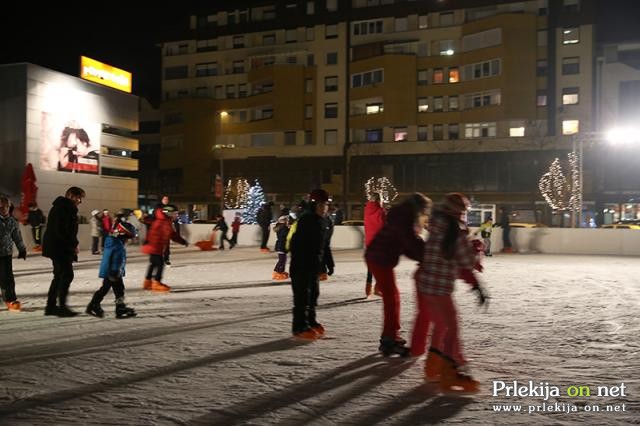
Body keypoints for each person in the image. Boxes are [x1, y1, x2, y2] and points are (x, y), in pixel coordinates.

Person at [413, 192, 488, 393]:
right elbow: (466, 262)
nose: (464, 215)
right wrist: (477, 248)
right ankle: (449, 372)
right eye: (464, 211)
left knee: (440, 325)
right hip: (439, 287)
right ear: (458, 212)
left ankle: (433, 366)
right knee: (452, 325)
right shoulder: (455, 232)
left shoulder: (436, 226)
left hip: (425, 284)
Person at [365, 193, 432, 356]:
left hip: (379, 257)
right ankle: (389, 340)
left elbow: (408, 245)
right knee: (391, 299)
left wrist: (422, 255)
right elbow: (410, 242)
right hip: (379, 258)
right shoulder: (403, 218)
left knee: (392, 297)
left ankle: (390, 336)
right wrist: (426, 256)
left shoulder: (402, 216)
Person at [288, 189, 331, 340]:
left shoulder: (323, 221)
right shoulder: (306, 220)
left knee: (313, 295)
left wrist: (328, 263)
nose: (325, 208)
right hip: (301, 266)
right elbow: (295, 244)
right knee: (302, 298)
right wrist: (304, 262)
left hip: (313, 266)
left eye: (326, 205)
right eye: (322, 205)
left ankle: (311, 321)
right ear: (314, 205)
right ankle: (299, 326)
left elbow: (324, 245)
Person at [42, 186, 85, 317]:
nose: (80, 201)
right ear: (71, 196)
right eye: (79, 198)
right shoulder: (65, 208)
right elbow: (62, 230)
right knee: (66, 275)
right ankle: (60, 307)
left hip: (57, 246)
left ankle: (51, 306)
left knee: (59, 275)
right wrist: (73, 244)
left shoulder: (62, 207)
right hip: (59, 247)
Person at [86, 210, 137, 318]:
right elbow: (113, 259)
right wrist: (115, 272)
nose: (128, 241)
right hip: (112, 271)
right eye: (128, 238)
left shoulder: (115, 242)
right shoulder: (116, 245)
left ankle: (117, 307)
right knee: (111, 289)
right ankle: (96, 305)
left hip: (113, 271)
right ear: (123, 235)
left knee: (115, 288)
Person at [141, 204, 188, 292]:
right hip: (154, 246)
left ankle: (147, 282)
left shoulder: (163, 220)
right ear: (168, 213)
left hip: (154, 246)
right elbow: (172, 234)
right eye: (174, 213)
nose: (176, 215)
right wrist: (182, 241)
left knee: (153, 263)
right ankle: (156, 283)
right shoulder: (163, 222)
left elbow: (170, 234)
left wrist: (182, 241)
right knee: (160, 264)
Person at [0, 196, 27, 311]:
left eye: (5, 206)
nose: (3, 209)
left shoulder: (12, 221)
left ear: (9, 207)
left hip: (6, 254)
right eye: (1, 207)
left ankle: (10, 299)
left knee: (7, 278)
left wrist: (22, 249)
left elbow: (17, 236)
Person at [364, 192, 386, 297]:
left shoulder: (367, 210)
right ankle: (378, 288)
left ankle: (368, 290)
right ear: (379, 200)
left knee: (371, 268)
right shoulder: (381, 212)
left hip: (369, 243)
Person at [272, 215, 290, 281]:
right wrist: (289, 229)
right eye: (286, 220)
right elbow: (286, 235)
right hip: (281, 246)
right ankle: (277, 271)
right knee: (281, 260)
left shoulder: (281, 227)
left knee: (283, 259)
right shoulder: (283, 228)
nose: (287, 221)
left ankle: (281, 271)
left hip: (281, 246)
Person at [318, 212, 335, 281]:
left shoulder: (327, 219)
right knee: (325, 255)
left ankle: (323, 273)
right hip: (322, 240)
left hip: (323, 241)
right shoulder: (325, 218)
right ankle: (325, 270)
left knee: (323, 256)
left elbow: (329, 229)